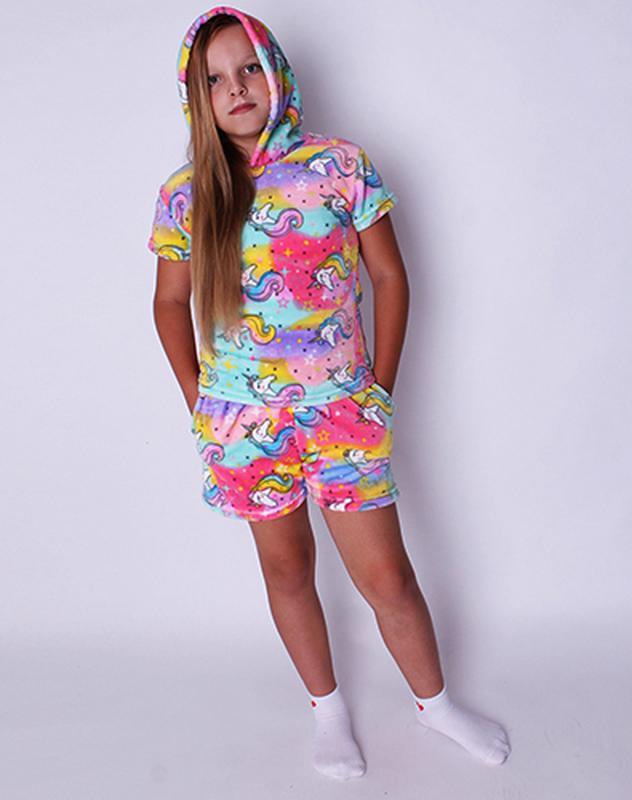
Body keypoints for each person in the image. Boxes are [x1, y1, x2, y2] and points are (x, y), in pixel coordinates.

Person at [147, 5, 511, 781]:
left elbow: (389, 277)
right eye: (214, 79)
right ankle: (328, 709)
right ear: (196, 98)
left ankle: (437, 704)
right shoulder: (188, 194)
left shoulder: (339, 165)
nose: (236, 88)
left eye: (248, 66)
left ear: (276, 69)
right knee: (287, 571)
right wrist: (200, 401)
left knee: (387, 578)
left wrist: (379, 390)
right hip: (246, 427)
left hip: (341, 413)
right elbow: (169, 303)